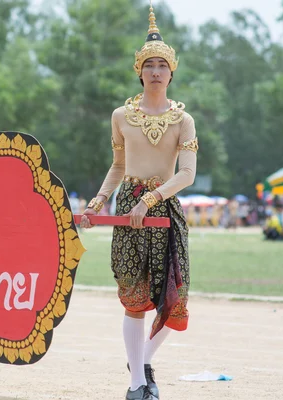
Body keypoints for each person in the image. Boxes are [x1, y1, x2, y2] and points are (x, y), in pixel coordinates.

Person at [80, 3, 197, 399]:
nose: (156, 72)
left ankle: (142, 358)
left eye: (163, 65)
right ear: (140, 71)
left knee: (173, 299)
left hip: (163, 207)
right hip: (128, 207)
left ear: (171, 71)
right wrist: (98, 200)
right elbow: (117, 165)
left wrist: (151, 199)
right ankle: (137, 386)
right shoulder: (120, 116)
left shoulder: (183, 119)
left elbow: (187, 174)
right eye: (150, 65)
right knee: (135, 297)